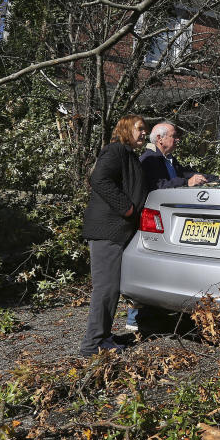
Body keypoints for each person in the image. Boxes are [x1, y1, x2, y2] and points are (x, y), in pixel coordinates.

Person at [127, 121, 220, 331]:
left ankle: (154, 313)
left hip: (169, 221)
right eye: (173, 136)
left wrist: (216, 178)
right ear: (160, 139)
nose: (177, 140)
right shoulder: (149, 160)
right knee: (150, 265)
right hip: (154, 220)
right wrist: (186, 184)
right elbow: (156, 186)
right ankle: (135, 318)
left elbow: (187, 174)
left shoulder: (168, 159)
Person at [79, 114, 148, 356]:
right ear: (127, 129)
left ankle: (102, 337)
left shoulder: (129, 155)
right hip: (107, 230)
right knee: (106, 288)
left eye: (145, 130)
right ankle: (92, 344)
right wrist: (126, 207)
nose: (144, 133)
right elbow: (98, 178)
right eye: (140, 129)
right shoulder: (115, 150)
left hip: (117, 231)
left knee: (110, 288)